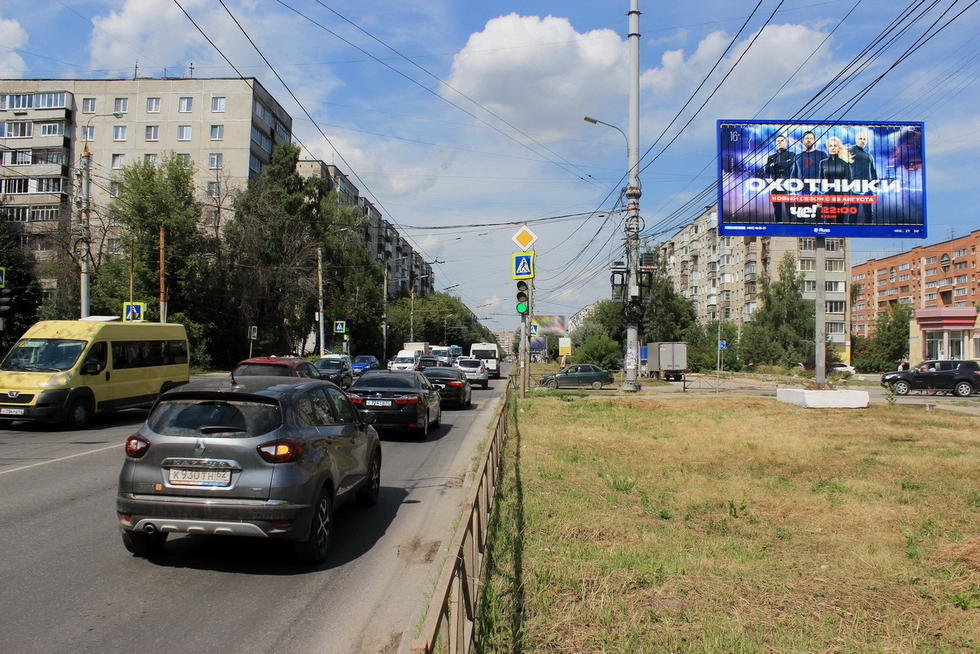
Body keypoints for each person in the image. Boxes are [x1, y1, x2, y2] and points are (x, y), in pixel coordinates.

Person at [819, 137, 853, 223]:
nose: (833, 148)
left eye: (835, 145)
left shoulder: (844, 163)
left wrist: (847, 196)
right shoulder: (822, 163)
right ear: (827, 148)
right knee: (827, 220)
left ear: (839, 148)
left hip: (840, 194)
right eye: (830, 146)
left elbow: (850, 181)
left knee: (840, 219)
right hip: (827, 195)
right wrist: (819, 198)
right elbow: (820, 180)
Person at [763, 134, 795, 223]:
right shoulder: (771, 157)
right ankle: (778, 225)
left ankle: (793, 225)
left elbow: (790, 166)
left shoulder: (792, 154)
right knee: (776, 207)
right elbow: (767, 169)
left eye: (782, 141)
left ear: (786, 143)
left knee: (790, 206)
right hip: (775, 184)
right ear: (775, 144)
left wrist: (776, 165)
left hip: (788, 184)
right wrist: (783, 164)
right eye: (778, 141)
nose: (780, 143)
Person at [849, 132, 877, 224]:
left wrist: (875, 185)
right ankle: (851, 230)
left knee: (869, 213)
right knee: (853, 212)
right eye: (860, 138)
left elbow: (873, 171)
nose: (862, 141)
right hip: (854, 186)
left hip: (868, 186)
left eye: (864, 139)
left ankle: (869, 231)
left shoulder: (869, 155)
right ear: (856, 139)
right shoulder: (851, 150)